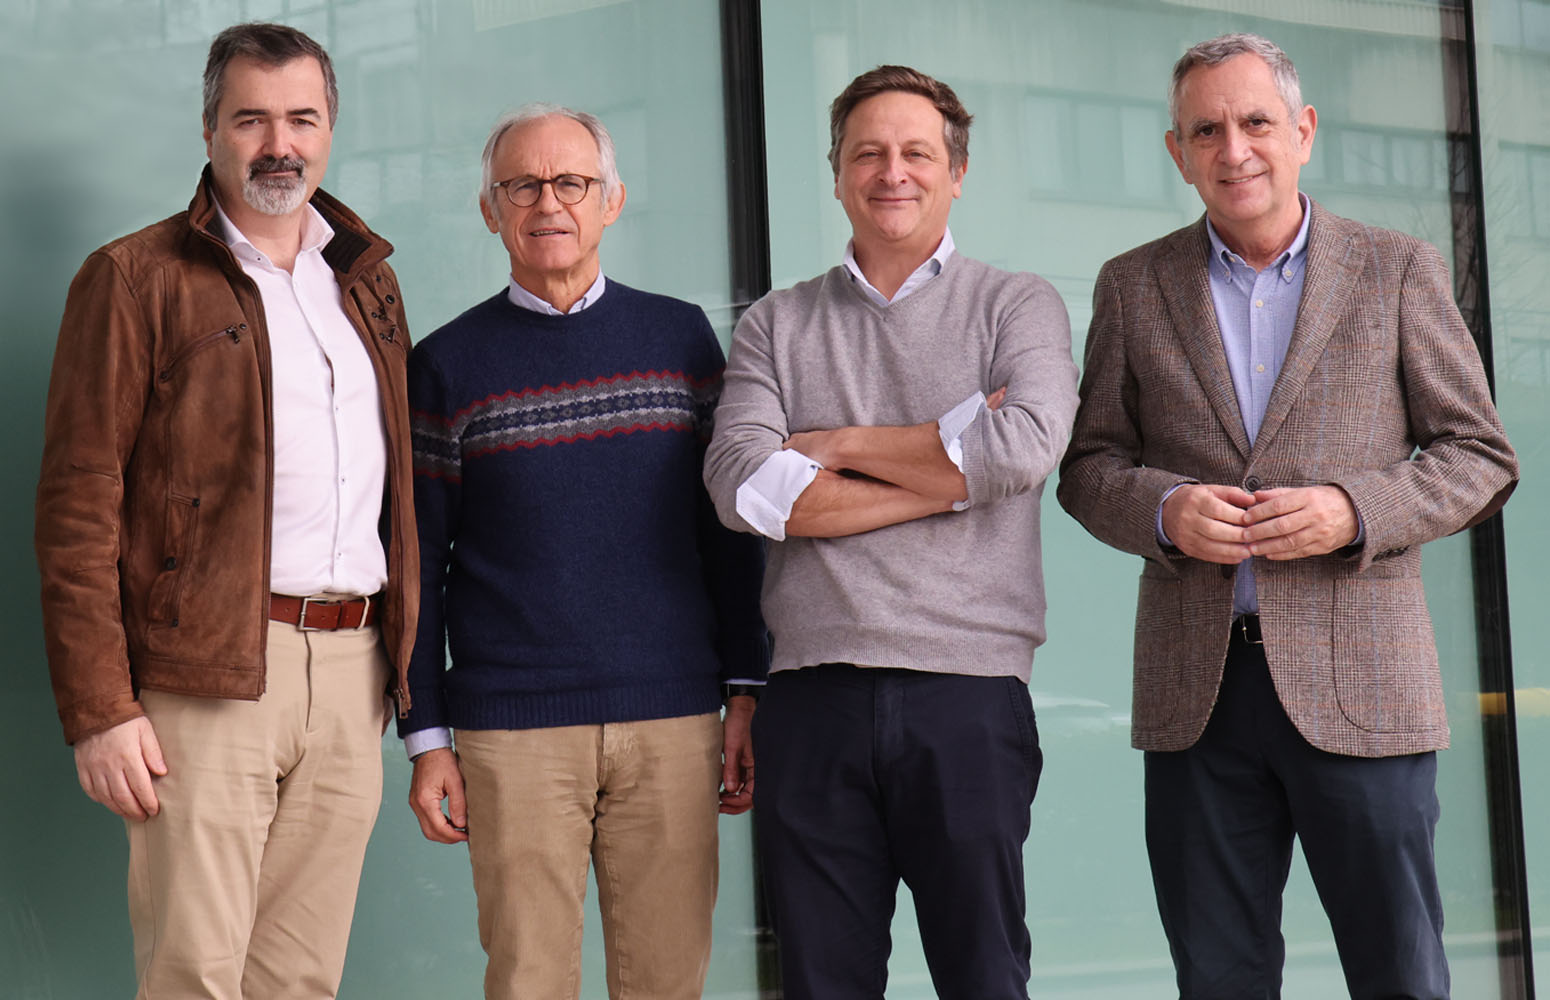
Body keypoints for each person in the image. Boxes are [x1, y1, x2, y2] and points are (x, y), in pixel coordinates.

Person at [1057, 32, 1518, 999]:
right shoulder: (1133, 286)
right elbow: (1089, 466)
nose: (1236, 150)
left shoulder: (1397, 269)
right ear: (1176, 152)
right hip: (1200, 695)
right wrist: (1165, 509)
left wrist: (1355, 510)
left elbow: (1479, 457)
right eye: (1208, 130)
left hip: (1368, 689)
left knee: (1400, 973)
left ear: (1303, 131)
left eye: (1257, 122)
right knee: (1217, 977)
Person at [34, 21, 417, 999]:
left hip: (349, 672)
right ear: (210, 130)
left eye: (301, 118)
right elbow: (79, 504)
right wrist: (99, 710)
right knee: (194, 973)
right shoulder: (133, 278)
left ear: (330, 129)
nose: (277, 143)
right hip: (202, 679)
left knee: (298, 977)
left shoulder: (365, 280)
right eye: (251, 118)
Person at [703, 65, 1078, 1000]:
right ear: (835, 174)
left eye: (917, 153)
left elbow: (1026, 449)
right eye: (867, 153)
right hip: (812, 698)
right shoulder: (775, 325)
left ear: (957, 173)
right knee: (823, 985)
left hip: (969, 695)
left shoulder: (1016, 304)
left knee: (984, 976)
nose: (892, 172)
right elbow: (743, 490)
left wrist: (834, 448)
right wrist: (954, 462)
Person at [399, 103, 768, 1000]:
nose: (547, 202)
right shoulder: (445, 364)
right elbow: (418, 564)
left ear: (613, 200)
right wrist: (426, 737)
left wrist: (746, 693)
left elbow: (728, 533)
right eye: (521, 184)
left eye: (572, 182)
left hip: (672, 718)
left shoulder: (681, 339)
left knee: (670, 978)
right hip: (510, 728)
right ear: (490, 210)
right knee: (527, 980)